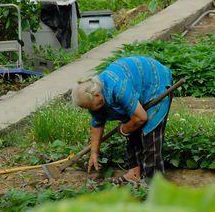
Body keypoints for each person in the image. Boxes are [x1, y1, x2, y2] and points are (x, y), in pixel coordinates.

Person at [72, 55, 173, 184]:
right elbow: (97, 123)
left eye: (90, 106)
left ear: (97, 94)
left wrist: (124, 129)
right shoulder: (95, 97)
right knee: (132, 128)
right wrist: (94, 152)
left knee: (150, 135)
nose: (90, 110)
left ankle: (153, 183)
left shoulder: (118, 88)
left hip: (155, 82)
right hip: (135, 87)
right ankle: (134, 173)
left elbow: (141, 117)